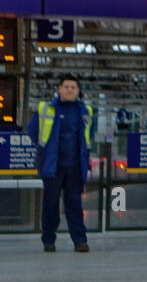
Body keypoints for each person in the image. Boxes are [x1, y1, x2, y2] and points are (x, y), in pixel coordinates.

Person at [26, 75, 97, 252]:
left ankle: (80, 241)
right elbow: (33, 131)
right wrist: (45, 151)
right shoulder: (47, 109)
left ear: (78, 91)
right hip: (52, 166)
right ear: (59, 89)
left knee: (74, 204)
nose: (70, 90)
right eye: (66, 86)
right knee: (50, 204)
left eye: (73, 87)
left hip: (75, 166)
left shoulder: (85, 111)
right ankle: (48, 240)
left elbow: (90, 135)